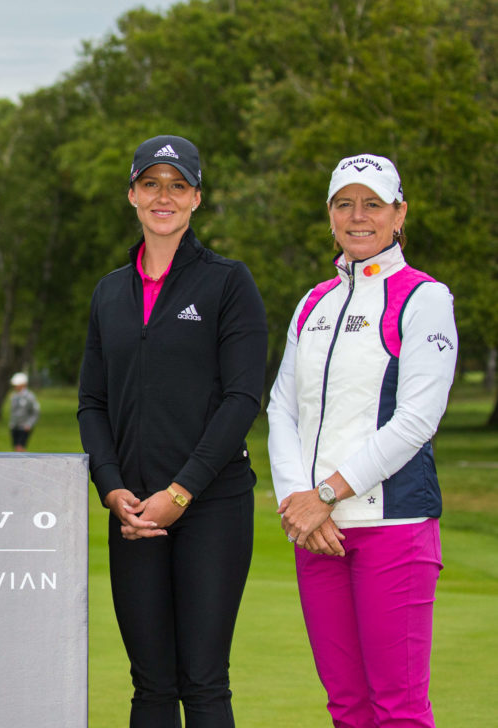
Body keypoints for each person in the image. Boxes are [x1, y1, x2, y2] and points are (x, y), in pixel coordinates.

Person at [77, 135, 267, 727]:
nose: (164, 196)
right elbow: (91, 402)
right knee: (151, 686)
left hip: (212, 504)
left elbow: (242, 399)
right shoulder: (110, 291)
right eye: (152, 184)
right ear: (132, 193)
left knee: (204, 682)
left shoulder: (228, 283)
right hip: (133, 511)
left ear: (196, 198)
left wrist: (180, 493)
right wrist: (112, 490)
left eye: (177, 185)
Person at [267, 154, 456, 727]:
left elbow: (416, 421)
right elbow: (281, 407)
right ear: (329, 215)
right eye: (344, 203)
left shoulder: (425, 298)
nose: (357, 216)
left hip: (393, 527)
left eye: (372, 203)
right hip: (317, 533)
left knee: (398, 708)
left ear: (399, 214)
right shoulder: (314, 302)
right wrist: (300, 503)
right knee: (346, 704)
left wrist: (322, 494)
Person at [7, 371, 40, 451]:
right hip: (14, 425)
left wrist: (29, 424)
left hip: (24, 426)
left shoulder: (29, 397)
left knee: (20, 448)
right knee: (16, 448)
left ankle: (23, 462)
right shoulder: (14, 396)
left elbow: (35, 412)